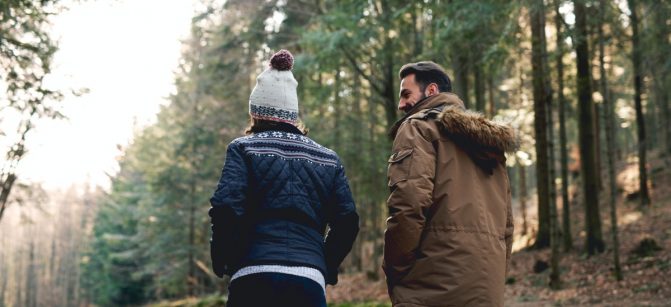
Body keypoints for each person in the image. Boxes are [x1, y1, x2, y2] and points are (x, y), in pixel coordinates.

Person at [208, 50, 359, 307]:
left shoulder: (243, 148)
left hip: (252, 274)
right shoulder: (328, 158)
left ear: (256, 112)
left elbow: (226, 209)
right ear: (293, 114)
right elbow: (347, 222)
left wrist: (224, 259)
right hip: (308, 279)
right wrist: (324, 264)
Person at [383, 61, 518, 306]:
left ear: (431, 91)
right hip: (486, 287)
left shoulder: (417, 128)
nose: (401, 104)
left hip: (430, 285)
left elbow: (408, 206)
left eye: (406, 94)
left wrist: (395, 268)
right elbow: (506, 225)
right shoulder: (490, 145)